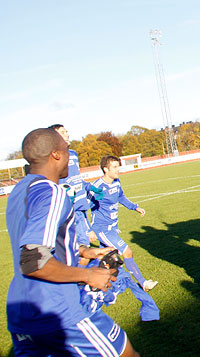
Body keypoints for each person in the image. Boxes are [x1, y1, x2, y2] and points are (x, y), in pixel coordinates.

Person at [6, 128, 138, 356]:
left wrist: (84, 250)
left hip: (21, 316)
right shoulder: (52, 192)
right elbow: (33, 261)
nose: (72, 156)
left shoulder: (19, 190)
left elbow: (36, 241)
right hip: (59, 311)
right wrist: (88, 275)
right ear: (56, 155)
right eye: (67, 150)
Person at [91, 155, 157, 292]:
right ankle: (143, 283)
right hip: (102, 229)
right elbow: (84, 206)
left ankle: (93, 283)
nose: (118, 170)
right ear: (105, 169)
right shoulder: (97, 187)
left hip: (113, 227)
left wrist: (135, 207)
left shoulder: (116, 182)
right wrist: (88, 230)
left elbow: (121, 197)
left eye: (118, 166)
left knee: (105, 257)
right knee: (127, 252)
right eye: (114, 167)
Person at [49, 124, 103, 247]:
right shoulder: (53, 157)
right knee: (81, 249)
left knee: (81, 248)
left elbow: (76, 179)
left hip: (80, 207)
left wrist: (90, 187)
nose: (67, 134)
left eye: (67, 131)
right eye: (63, 132)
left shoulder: (73, 154)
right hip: (67, 210)